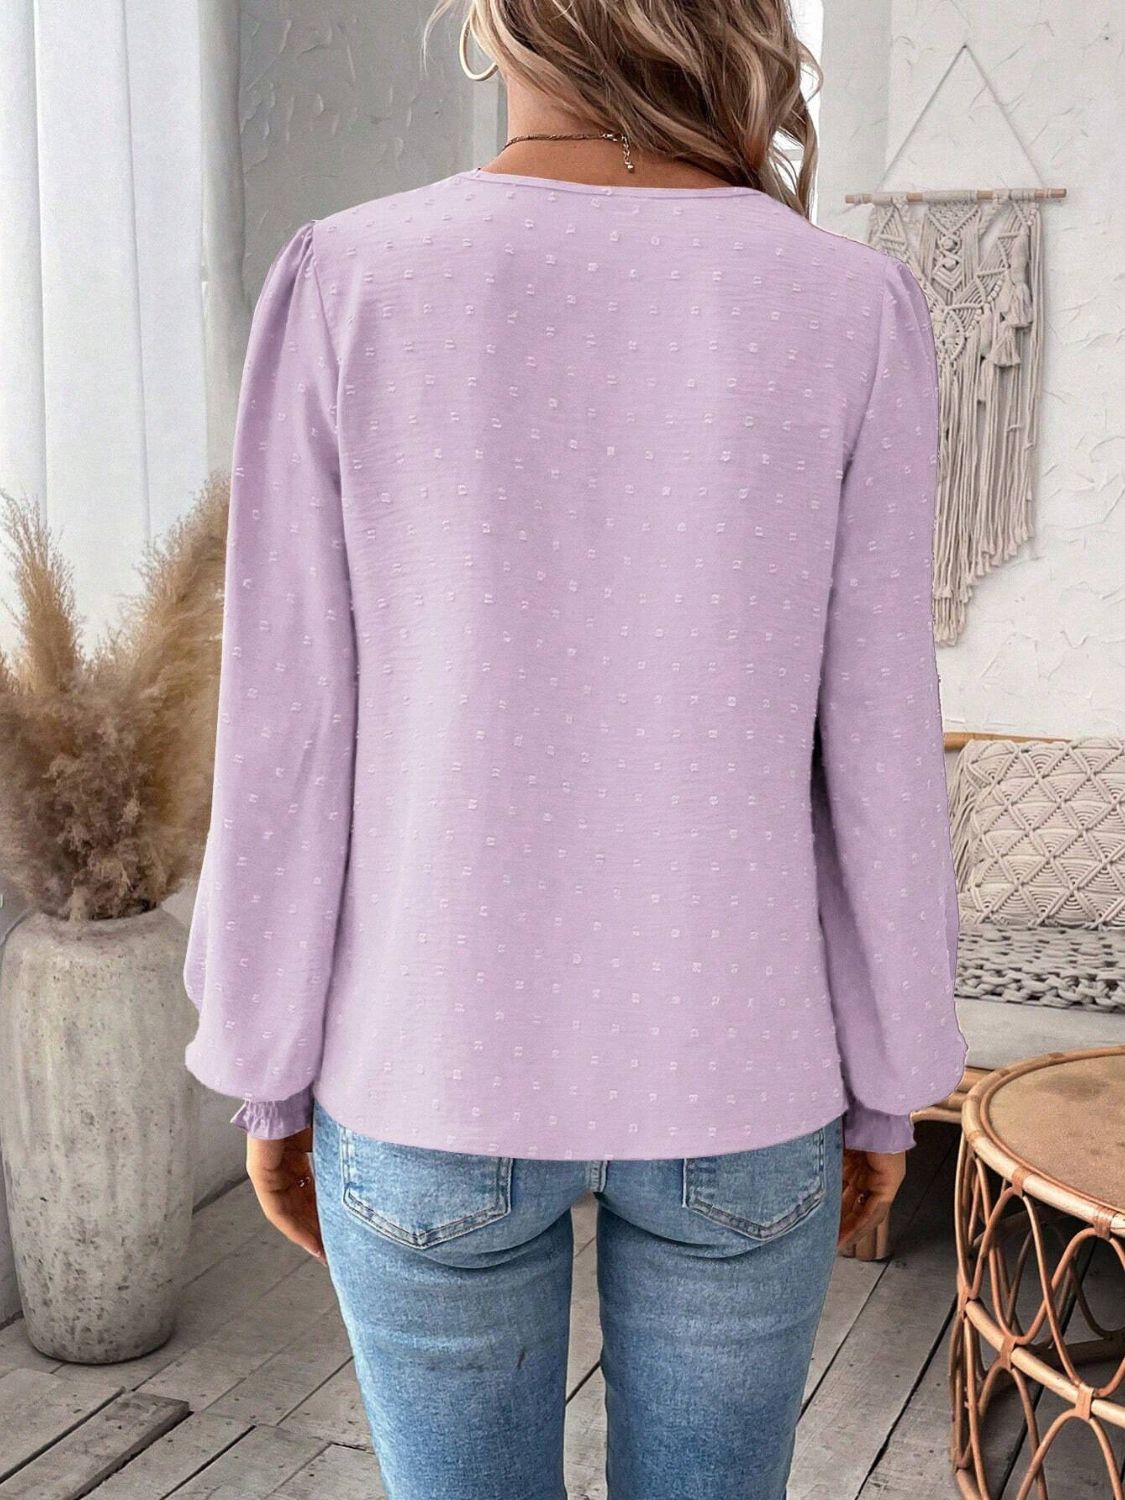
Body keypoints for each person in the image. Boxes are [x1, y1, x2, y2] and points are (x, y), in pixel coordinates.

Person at [182, 2, 968, 1495]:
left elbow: (286, 725)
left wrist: (265, 1064)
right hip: (744, 1073)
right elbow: (879, 747)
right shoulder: (847, 305)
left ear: (493, 25)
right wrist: (891, 1075)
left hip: (425, 1064)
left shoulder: (351, 278)